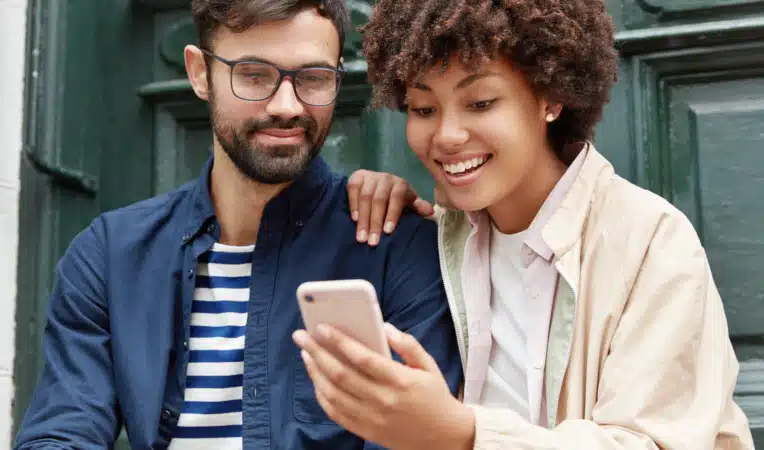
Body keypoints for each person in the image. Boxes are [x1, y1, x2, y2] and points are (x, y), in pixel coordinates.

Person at [292, 0, 755, 448]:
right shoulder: (435, 235)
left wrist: (463, 434)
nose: (447, 136)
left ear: (550, 98)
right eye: (423, 109)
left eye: (481, 103)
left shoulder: (653, 242)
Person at [12, 1, 463, 449]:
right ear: (199, 73)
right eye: (254, 75)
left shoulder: (398, 248)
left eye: (313, 78)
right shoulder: (110, 254)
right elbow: (60, 433)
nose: (287, 106)